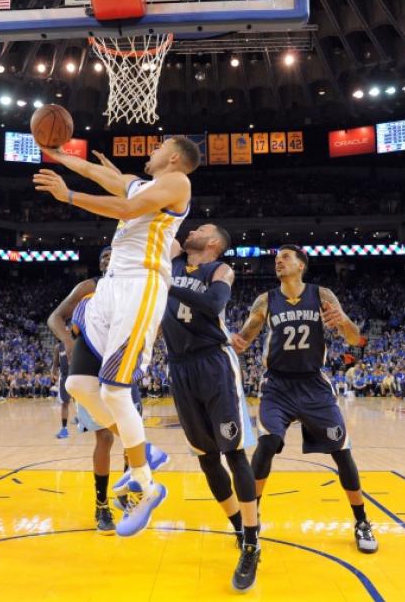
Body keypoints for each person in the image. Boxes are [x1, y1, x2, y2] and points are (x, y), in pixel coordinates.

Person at [34, 140, 199, 536]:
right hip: (110, 287)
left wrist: (67, 194)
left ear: (174, 156)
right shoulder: (142, 184)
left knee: (114, 391)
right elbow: (100, 173)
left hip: (140, 286)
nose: (152, 151)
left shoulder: (178, 183)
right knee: (78, 383)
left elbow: (125, 208)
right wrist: (59, 155)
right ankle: (142, 449)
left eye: (160, 146)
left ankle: (145, 482)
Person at [231, 245, 378, 554]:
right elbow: (245, 337)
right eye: (276, 260)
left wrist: (345, 321)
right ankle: (251, 517)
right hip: (278, 386)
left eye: (285, 258)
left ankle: (362, 521)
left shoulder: (322, 296)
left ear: (301, 265)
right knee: (268, 443)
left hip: (314, 385)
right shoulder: (266, 300)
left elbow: (353, 338)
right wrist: (235, 341)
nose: (278, 263)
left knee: (341, 450)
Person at [160, 224, 261, 592]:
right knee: (205, 457)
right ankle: (238, 527)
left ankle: (252, 542)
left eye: (200, 228)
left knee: (234, 453)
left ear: (214, 242)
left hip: (213, 363)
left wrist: (166, 284)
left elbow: (216, 303)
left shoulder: (218, 270)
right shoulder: (171, 260)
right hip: (178, 366)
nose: (192, 230)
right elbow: (157, 215)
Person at [47, 247, 118, 534]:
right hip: (89, 367)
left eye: (112, 254)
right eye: (102, 255)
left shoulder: (134, 287)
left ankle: (130, 493)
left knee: (130, 434)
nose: (106, 258)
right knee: (105, 436)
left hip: (120, 366)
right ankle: (102, 505)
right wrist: (67, 340)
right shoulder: (89, 287)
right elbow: (55, 317)